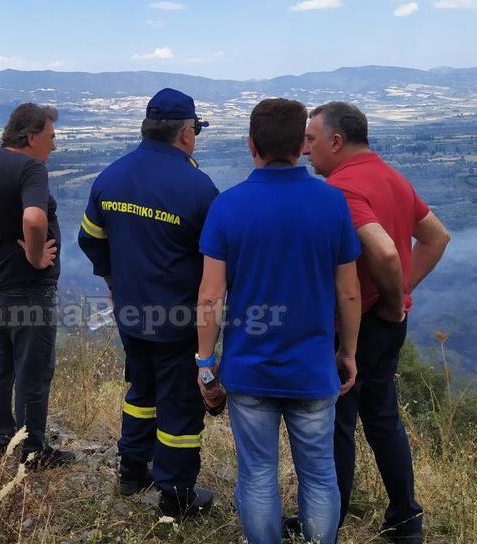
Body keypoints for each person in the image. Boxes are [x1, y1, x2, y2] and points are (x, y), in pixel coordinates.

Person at [196, 98, 361, 544]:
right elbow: (348, 292)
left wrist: (205, 364)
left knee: (256, 476)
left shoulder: (227, 206)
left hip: (250, 371)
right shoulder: (332, 203)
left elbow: (210, 296)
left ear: (251, 144)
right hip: (312, 369)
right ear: (301, 145)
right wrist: (347, 352)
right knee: (320, 475)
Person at [304, 102, 450, 543]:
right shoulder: (391, 176)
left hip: (358, 323)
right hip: (388, 324)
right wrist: (401, 297)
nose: (305, 149)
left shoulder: (341, 190)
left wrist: (390, 299)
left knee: (339, 424)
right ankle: (406, 520)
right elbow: (437, 237)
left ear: (336, 141)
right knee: (383, 418)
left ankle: (329, 523)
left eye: (311, 139)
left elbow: (384, 251)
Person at [78, 88, 220, 517]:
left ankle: (132, 470)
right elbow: (218, 261)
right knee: (179, 403)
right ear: (186, 133)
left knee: (141, 390)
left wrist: (114, 282)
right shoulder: (199, 188)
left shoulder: (111, 177)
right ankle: (175, 496)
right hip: (178, 319)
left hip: (130, 312)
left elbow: (90, 239)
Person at [0, 103, 73, 467]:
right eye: (50, 137)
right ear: (30, 137)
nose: (53, 146)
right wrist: (34, 255)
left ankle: (2, 439)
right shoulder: (31, 168)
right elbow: (33, 218)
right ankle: (32, 451)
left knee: (1, 365)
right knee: (33, 370)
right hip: (27, 288)